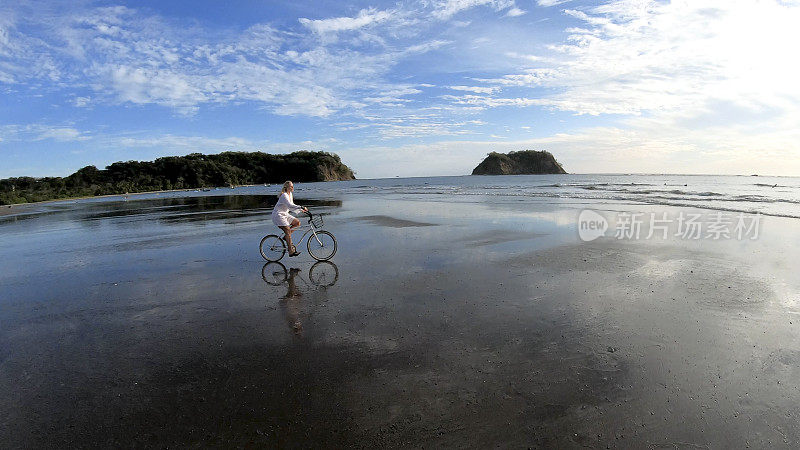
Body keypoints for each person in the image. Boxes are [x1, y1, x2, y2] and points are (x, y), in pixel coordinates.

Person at [272, 181, 308, 257]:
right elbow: (289, 205)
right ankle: (291, 251)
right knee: (288, 231)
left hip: (285, 214)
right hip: (278, 215)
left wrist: (301, 210)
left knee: (297, 223)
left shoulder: (290, 194)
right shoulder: (284, 195)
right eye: (291, 186)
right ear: (287, 187)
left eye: (293, 186)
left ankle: (286, 237)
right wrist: (301, 207)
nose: (293, 187)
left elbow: (291, 206)